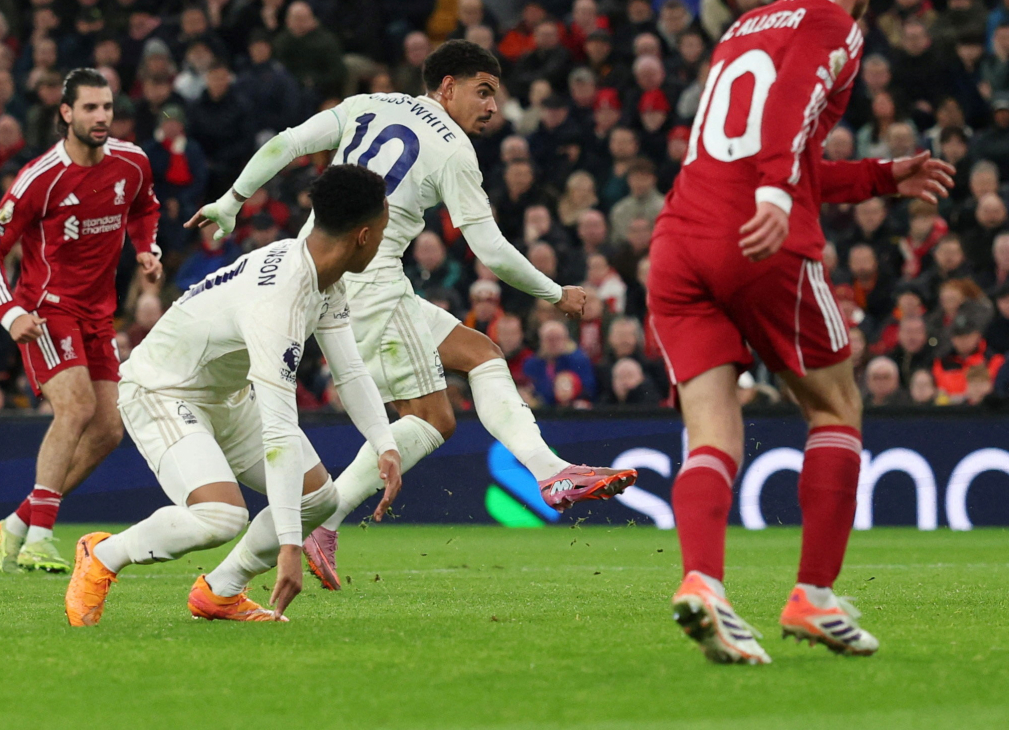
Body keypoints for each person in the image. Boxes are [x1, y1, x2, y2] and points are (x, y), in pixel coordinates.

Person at [189, 40, 635, 589]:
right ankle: (301, 534)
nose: (492, 106)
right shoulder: (453, 149)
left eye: (496, 95)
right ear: (446, 86)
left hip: (320, 274)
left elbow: (286, 143)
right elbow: (489, 250)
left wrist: (233, 199)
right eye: (483, 91)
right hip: (367, 288)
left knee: (482, 354)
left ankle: (550, 472)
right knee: (433, 417)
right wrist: (553, 293)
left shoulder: (368, 103)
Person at [647, 0, 954, 664]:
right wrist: (776, 198)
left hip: (679, 241)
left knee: (711, 434)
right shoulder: (835, 28)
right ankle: (813, 595)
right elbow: (784, 120)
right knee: (837, 404)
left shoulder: (744, 26)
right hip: (757, 241)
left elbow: (771, 142)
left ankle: (704, 584)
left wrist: (882, 178)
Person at [63, 165, 401, 626]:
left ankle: (219, 592)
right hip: (162, 388)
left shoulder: (323, 273)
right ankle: (103, 554)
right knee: (221, 517)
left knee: (319, 500)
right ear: (362, 236)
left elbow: (350, 370)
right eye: (382, 232)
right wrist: (288, 547)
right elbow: (280, 429)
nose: (382, 242)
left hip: (226, 394)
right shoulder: (279, 302)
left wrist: (385, 443)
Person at [1, 69, 162, 574]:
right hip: (47, 310)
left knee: (109, 430)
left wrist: (146, 249)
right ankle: (39, 539)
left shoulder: (131, 162)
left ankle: (16, 525)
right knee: (75, 408)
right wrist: (10, 313)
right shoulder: (39, 179)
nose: (101, 117)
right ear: (66, 113)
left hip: (98, 313)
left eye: (108, 107)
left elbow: (145, 208)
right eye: (90, 108)